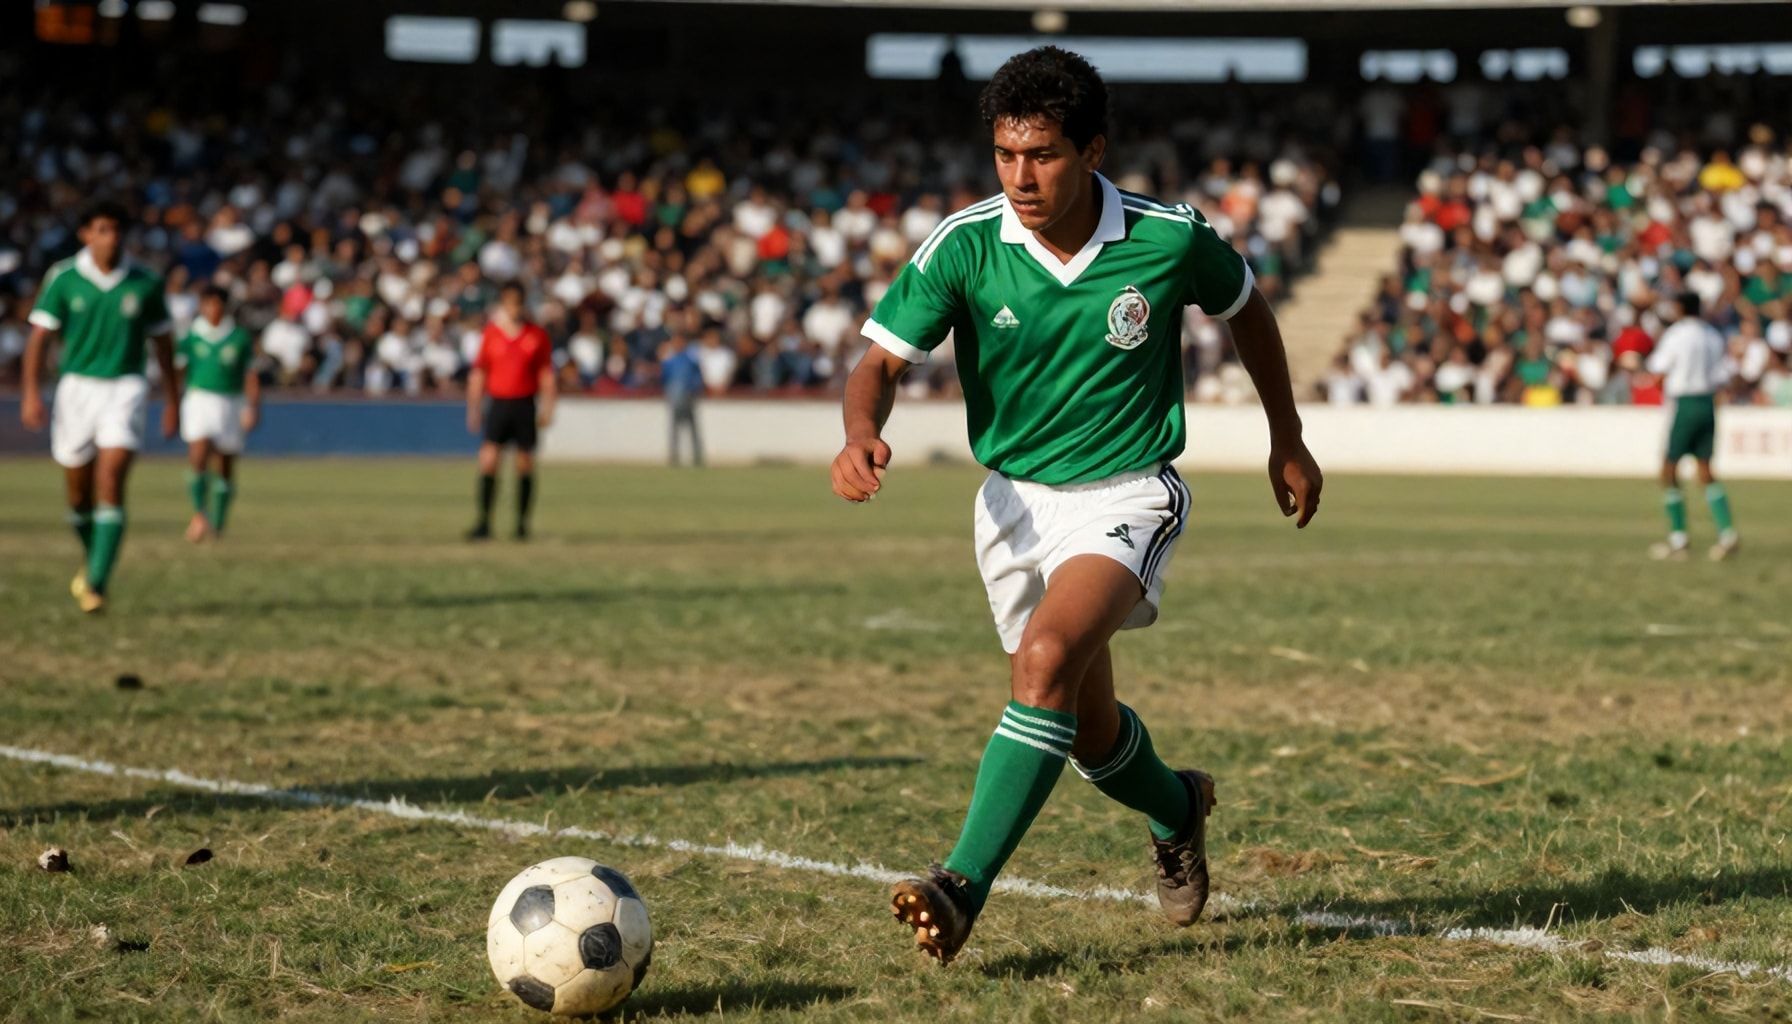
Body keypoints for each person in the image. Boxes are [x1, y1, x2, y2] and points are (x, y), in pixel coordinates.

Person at [831, 47, 1323, 965]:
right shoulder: (967, 243)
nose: (1021, 176)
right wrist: (860, 430)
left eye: (1044, 154)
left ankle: (961, 886)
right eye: (1006, 155)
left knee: (1046, 662)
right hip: (1014, 506)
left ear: (1092, 150)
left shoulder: (1167, 236)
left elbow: (1249, 310)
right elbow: (880, 364)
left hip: (1129, 490)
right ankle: (1179, 808)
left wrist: (1285, 436)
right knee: (1089, 735)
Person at [20, 200, 179, 614]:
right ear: (85, 234)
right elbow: (39, 340)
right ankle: (94, 558)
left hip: (125, 388)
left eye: (117, 229)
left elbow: (163, 345)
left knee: (111, 479)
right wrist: (32, 393)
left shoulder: (144, 282)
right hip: (75, 390)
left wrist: (173, 401)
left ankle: (96, 584)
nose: (111, 237)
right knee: (78, 494)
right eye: (103, 229)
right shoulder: (64, 278)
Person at [1647, 292, 1740, 561]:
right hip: (1708, 403)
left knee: (1668, 470)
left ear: (1679, 307)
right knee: (1706, 469)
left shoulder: (1676, 335)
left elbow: (1659, 370)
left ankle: (1679, 538)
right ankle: (1727, 532)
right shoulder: (1712, 335)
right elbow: (1723, 375)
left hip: (1685, 403)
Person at [466, 281, 555, 540]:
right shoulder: (491, 335)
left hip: (525, 403)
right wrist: (473, 407)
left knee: (524, 463)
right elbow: (479, 373)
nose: (514, 308)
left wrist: (549, 406)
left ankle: (521, 524)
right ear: (503, 304)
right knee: (489, 460)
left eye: (518, 302)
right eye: (509, 302)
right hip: (499, 403)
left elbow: (546, 374)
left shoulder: (536, 335)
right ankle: (484, 522)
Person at [178, 285, 261, 542]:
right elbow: (178, 369)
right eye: (207, 303)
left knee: (224, 464)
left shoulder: (238, 337)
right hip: (199, 398)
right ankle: (199, 514)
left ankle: (219, 523)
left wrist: (252, 406)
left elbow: (250, 375)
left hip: (231, 401)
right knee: (198, 453)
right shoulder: (191, 336)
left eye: (217, 304)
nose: (212, 309)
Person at [660, 333, 705, 467]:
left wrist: (693, 391)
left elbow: (698, 379)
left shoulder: (691, 361)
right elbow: (665, 380)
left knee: (693, 429)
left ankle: (697, 457)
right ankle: (674, 457)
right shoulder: (669, 362)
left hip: (689, 398)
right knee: (674, 429)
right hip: (675, 399)